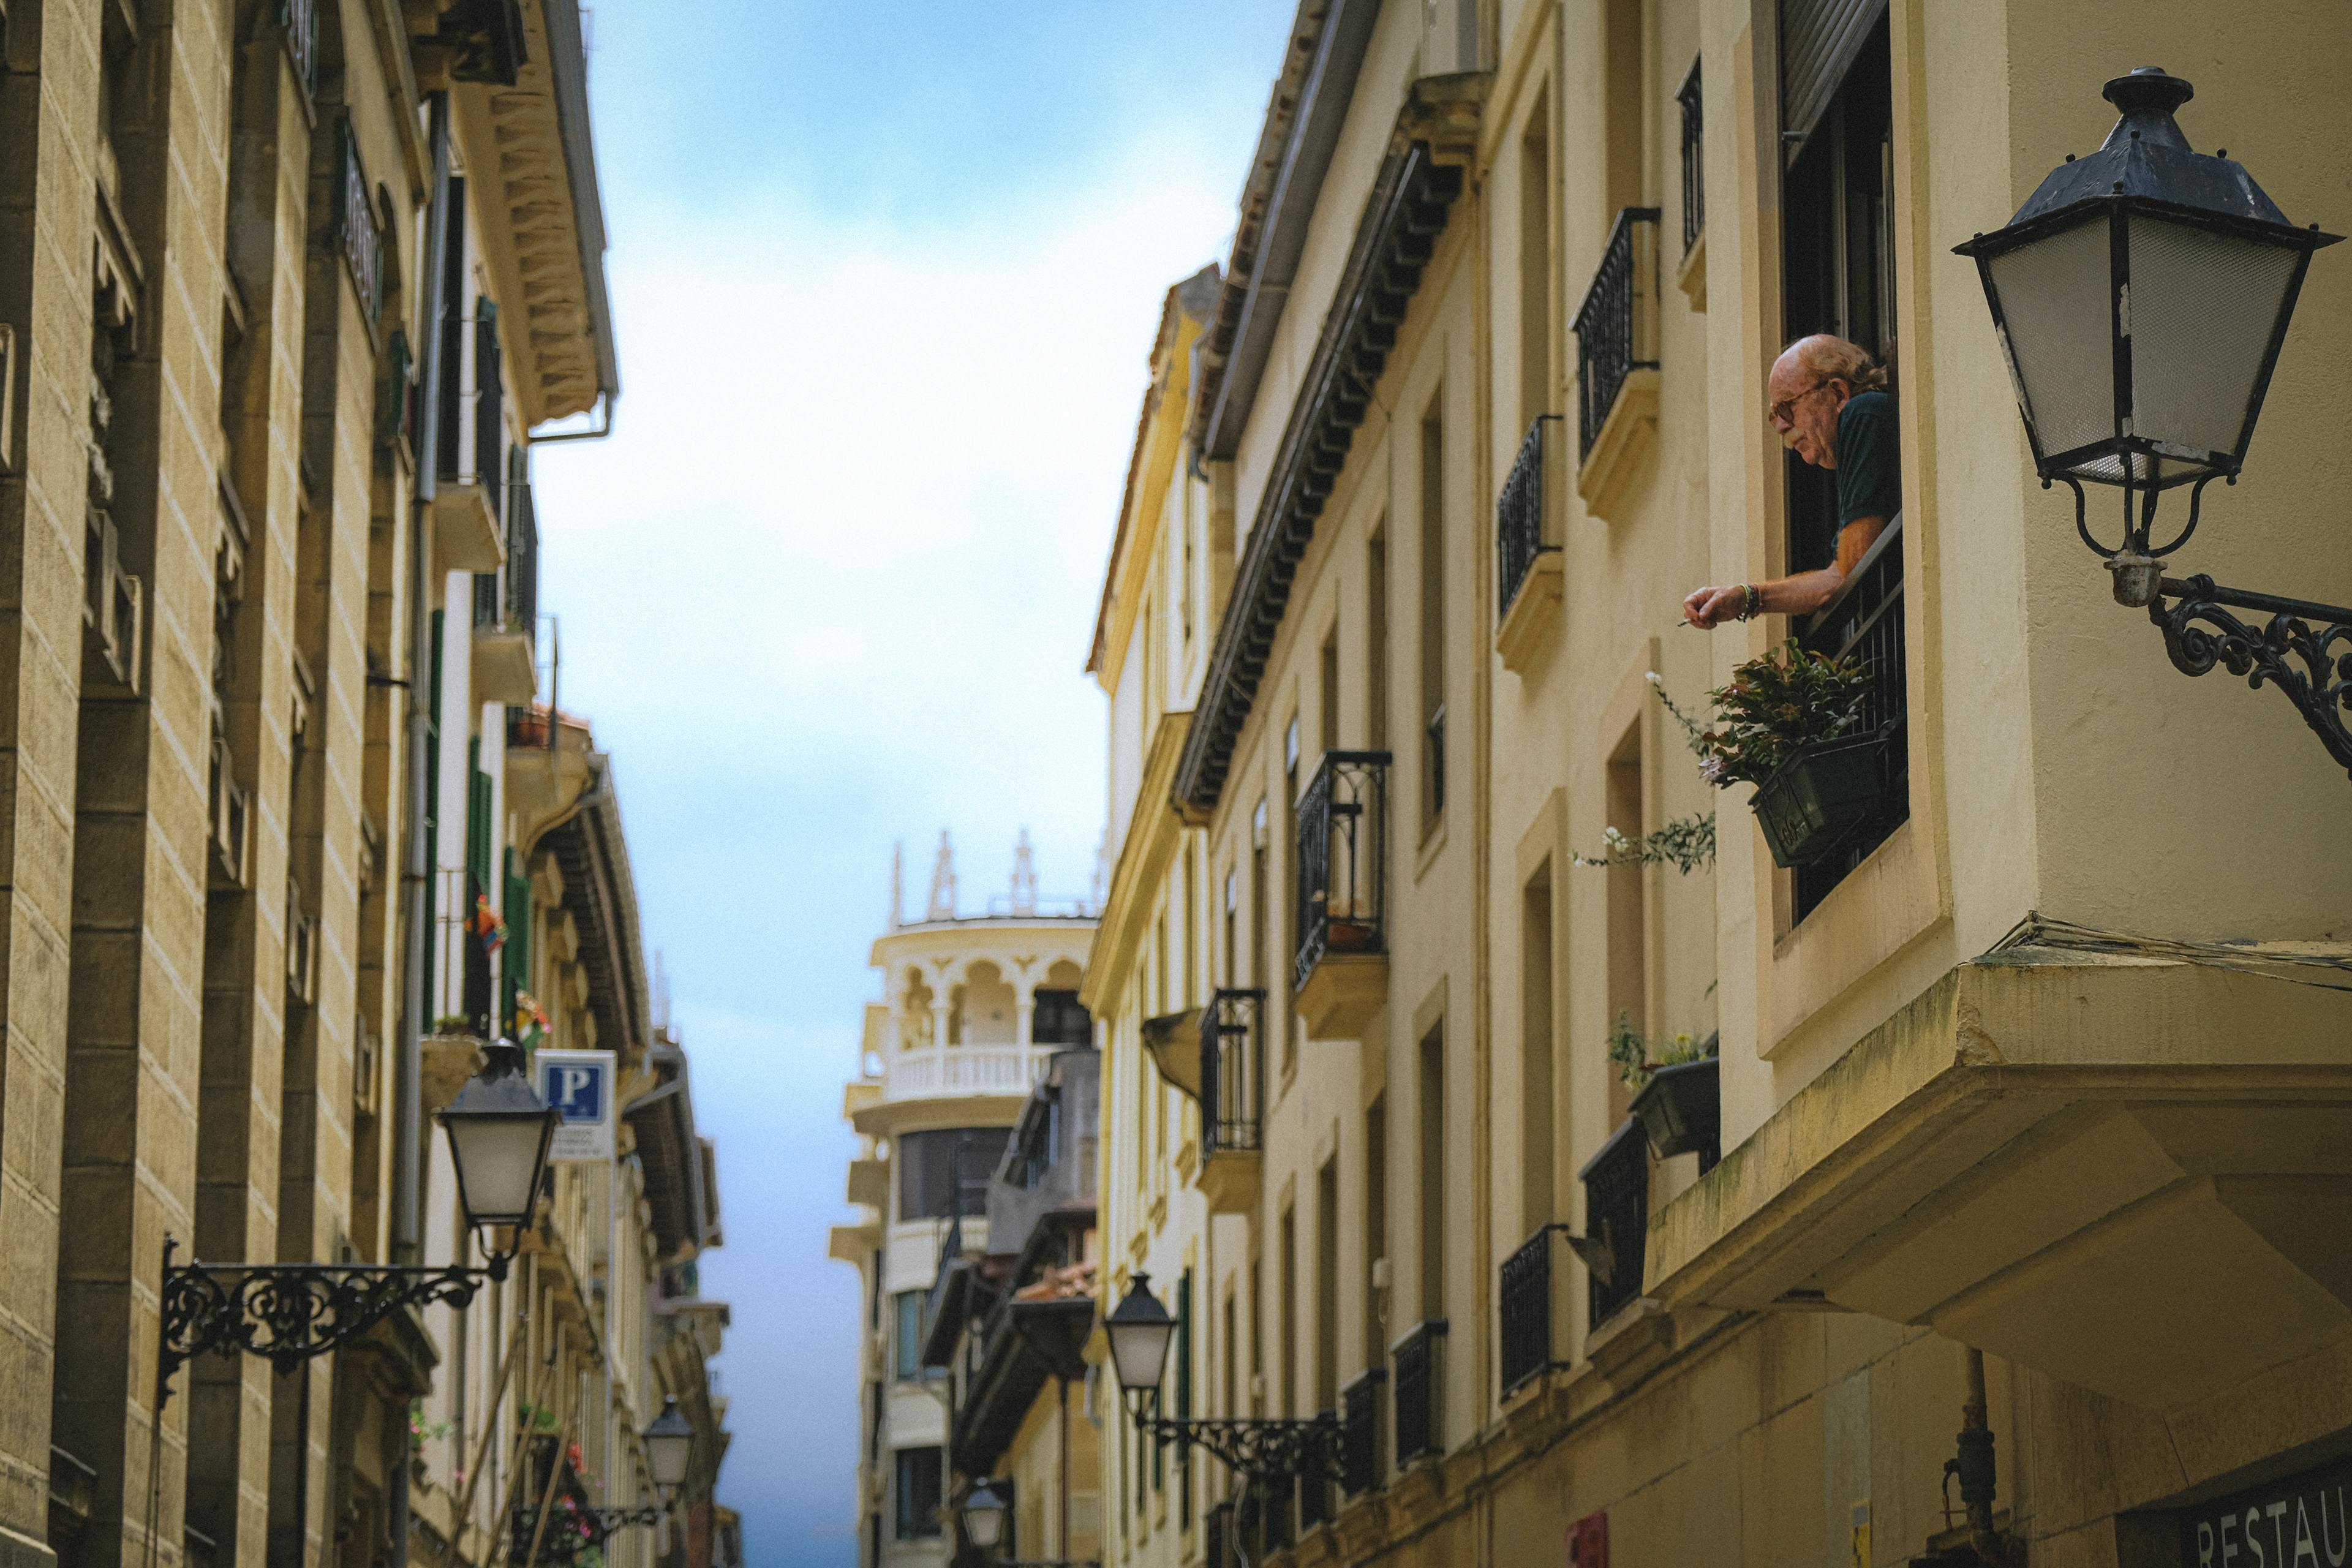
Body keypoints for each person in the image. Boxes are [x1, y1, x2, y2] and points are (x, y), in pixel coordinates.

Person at [1683, 334, 1899, 629]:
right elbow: (1837, 577)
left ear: (1837, 393)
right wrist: (1744, 597)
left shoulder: (1861, 412)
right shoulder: (1859, 424)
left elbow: (1855, 566)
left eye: (1787, 408)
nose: (1782, 426)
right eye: (1775, 417)